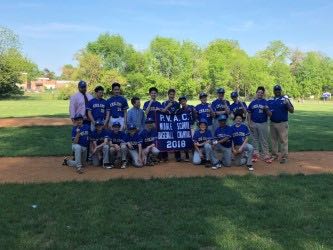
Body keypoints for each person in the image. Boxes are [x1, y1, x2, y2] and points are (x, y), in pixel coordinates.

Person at [267, 85, 294, 164]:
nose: (277, 91)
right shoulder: (270, 100)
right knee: (273, 140)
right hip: (272, 123)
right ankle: (274, 155)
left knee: (283, 141)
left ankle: (284, 157)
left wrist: (287, 104)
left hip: (282, 123)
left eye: (278, 90)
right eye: (276, 90)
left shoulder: (285, 99)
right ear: (273, 91)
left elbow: (292, 110)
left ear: (281, 91)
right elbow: (267, 110)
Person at [247, 86, 272, 163]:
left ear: (263, 94)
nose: (260, 94)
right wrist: (249, 123)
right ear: (256, 93)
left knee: (264, 140)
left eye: (261, 93)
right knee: (255, 139)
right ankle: (255, 154)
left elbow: (270, 114)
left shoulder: (266, 102)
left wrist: (266, 109)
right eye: (259, 92)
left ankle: (266, 155)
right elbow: (249, 113)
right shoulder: (252, 103)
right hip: (254, 123)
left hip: (263, 123)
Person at [161, 89, 181, 162]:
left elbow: (179, 113)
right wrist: (168, 106)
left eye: (173, 94)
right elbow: (162, 111)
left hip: (175, 124)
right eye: (171, 94)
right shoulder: (164, 103)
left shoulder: (177, 104)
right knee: (166, 138)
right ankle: (165, 156)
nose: (172, 96)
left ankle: (177, 156)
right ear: (168, 95)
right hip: (166, 124)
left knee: (176, 137)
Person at [176, 96, 196, 161]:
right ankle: (187, 155)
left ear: (186, 101)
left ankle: (194, 154)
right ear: (180, 103)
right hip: (183, 127)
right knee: (185, 140)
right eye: (181, 101)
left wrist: (193, 122)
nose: (182, 102)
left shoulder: (191, 107)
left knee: (193, 140)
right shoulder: (179, 110)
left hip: (191, 126)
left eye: (183, 101)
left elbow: (195, 116)